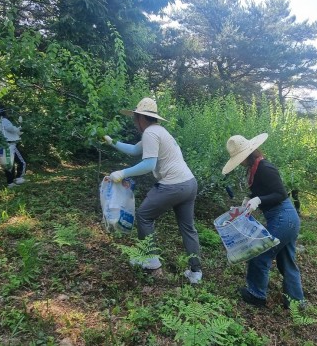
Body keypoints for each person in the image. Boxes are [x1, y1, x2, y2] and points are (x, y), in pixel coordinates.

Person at [103, 98, 202, 284]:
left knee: (144, 216)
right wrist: (112, 141)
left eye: (135, 118)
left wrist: (122, 173)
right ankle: (196, 272)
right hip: (189, 183)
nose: (134, 122)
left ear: (141, 118)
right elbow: (134, 150)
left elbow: (149, 164)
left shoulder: (150, 133)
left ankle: (149, 259)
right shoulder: (159, 131)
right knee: (188, 228)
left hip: (174, 185)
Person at [221, 133, 305, 308]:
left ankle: (256, 294)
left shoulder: (265, 167)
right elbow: (264, 190)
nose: (240, 162)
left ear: (248, 155)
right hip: (286, 219)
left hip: (283, 216)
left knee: (259, 252)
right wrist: (249, 199)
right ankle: (296, 303)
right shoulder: (255, 169)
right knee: (286, 259)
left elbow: (280, 193)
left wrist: (259, 200)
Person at [0, 107, 27, 188]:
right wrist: (18, 129)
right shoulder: (4, 120)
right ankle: (19, 178)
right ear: (3, 113)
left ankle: (10, 183)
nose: (8, 114)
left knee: (8, 165)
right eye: (7, 112)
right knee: (21, 162)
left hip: (2, 145)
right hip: (10, 145)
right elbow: (10, 129)